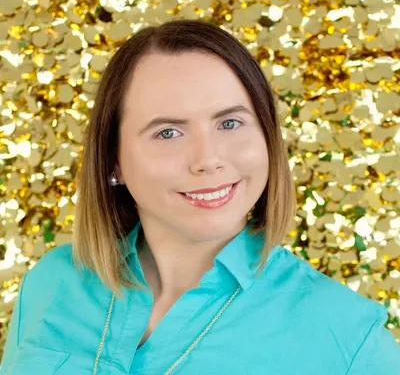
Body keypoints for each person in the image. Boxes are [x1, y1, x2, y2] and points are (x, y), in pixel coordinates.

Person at [1, 19, 399, 375]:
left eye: (230, 123)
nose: (207, 160)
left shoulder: (351, 339)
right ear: (113, 160)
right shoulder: (52, 282)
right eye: (168, 132)